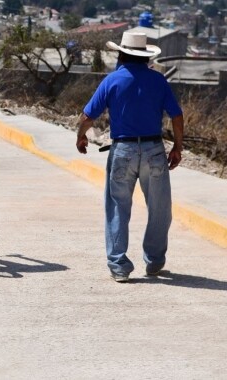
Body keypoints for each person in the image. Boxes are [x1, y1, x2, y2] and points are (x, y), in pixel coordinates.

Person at [75, 32, 184, 283]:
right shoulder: (158, 81)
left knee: (117, 207)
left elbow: (87, 117)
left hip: (123, 150)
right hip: (153, 150)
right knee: (160, 209)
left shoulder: (112, 80)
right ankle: (155, 261)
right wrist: (177, 147)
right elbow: (176, 117)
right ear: (145, 56)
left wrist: (81, 137)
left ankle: (119, 266)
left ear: (121, 54)